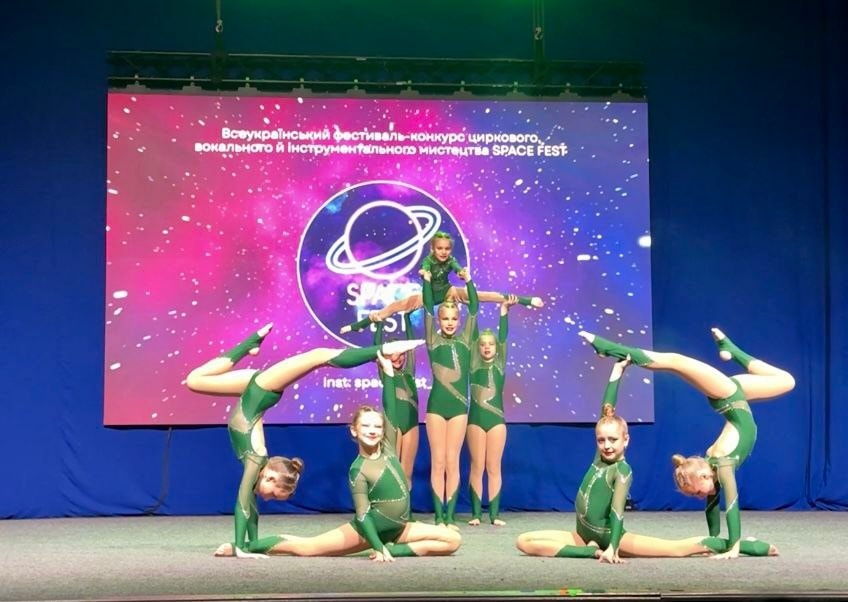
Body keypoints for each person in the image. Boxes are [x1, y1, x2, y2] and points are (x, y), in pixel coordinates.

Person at [185, 322, 423, 558]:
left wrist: (246, 546)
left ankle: (251, 345)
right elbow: (244, 505)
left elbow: (247, 505)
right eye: (273, 494)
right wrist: (242, 548)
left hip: (254, 390)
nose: (267, 498)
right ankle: (381, 350)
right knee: (317, 356)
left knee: (196, 380)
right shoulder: (255, 461)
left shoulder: (255, 462)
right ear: (271, 477)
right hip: (260, 388)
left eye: (271, 496)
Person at [213, 352, 462, 560]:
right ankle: (244, 546)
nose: (373, 431)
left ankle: (394, 549)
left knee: (453, 540)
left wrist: (388, 374)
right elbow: (363, 515)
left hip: (401, 528)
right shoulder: (358, 469)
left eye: (377, 427)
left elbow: (390, 408)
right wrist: (376, 545)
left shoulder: (388, 448)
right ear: (354, 430)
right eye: (366, 426)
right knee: (307, 548)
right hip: (366, 531)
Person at [578, 328, 793, 559]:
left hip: (728, 395)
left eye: (697, 492)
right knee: (786, 381)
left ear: (703, 476)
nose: (700, 496)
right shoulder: (714, 469)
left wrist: (734, 548)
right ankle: (731, 350)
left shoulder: (722, 466)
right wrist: (714, 542)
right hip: (735, 397)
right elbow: (712, 508)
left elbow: (732, 504)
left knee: (676, 361)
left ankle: (611, 348)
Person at [517, 353, 750, 563]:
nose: (607, 445)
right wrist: (617, 372)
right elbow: (606, 411)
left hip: (613, 537)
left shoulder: (622, 469)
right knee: (523, 542)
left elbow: (617, 510)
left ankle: (748, 545)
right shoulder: (599, 459)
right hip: (583, 534)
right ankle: (590, 551)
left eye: (613, 440)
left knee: (676, 549)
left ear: (625, 440)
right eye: (601, 440)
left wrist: (613, 548)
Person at [340, 231, 543, 334]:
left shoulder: (451, 260)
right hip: (428, 295)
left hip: (448, 292)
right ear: (433, 249)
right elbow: (425, 268)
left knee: (483, 295)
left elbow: (457, 267)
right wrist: (424, 274)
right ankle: (358, 325)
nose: (444, 252)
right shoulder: (428, 260)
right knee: (393, 307)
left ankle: (525, 300)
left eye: (447, 249)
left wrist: (462, 273)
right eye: (440, 248)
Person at [422, 266, 477, 529]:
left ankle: (451, 516)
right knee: (438, 461)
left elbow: (474, 309)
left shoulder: (466, 340)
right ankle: (438, 516)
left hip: (459, 408)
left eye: (454, 319)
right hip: (435, 408)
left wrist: (469, 281)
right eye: (445, 319)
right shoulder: (433, 340)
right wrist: (427, 282)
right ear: (439, 321)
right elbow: (426, 309)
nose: (450, 323)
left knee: (453, 461)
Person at [466, 295, 517, 526]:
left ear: (497, 348)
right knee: (477, 466)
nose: (487, 347)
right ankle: (476, 514)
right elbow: (472, 333)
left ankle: (494, 515)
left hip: (496, 421)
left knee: (494, 467)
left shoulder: (500, 363)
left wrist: (504, 311)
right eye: (483, 344)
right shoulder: (473, 363)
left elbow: (504, 336)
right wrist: (472, 307)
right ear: (478, 348)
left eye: (491, 344)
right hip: (475, 421)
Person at [374, 313, 419, 484]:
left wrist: (407, 318)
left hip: (412, 424)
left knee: (407, 473)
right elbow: (377, 348)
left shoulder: (409, 372)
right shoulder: (386, 373)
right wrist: (379, 325)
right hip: (394, 424)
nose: (397, 358)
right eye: (392, 354)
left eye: (401, 354)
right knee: (392, 469)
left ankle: (406, 502)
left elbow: (411, 345)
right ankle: (391, 501)